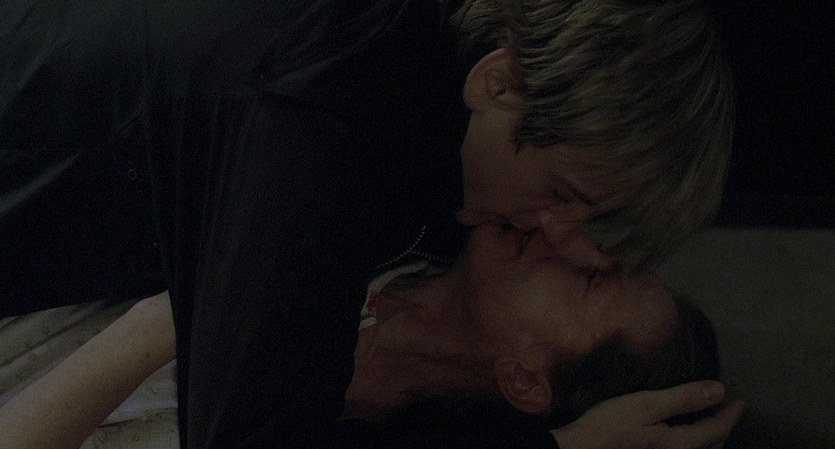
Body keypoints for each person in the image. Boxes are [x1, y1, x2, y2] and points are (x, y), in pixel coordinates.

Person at [0, 1, 737, 448]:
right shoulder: (328, 122)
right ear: (497, 84)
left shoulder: (425, 166)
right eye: (558, 193)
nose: (559, 238)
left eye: (594, 234)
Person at [0, 224, 742, 449]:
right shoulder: (383, 226)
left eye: (589, 283)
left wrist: (171, 320)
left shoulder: (359, 431)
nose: (570, 241)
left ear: (524, 379)